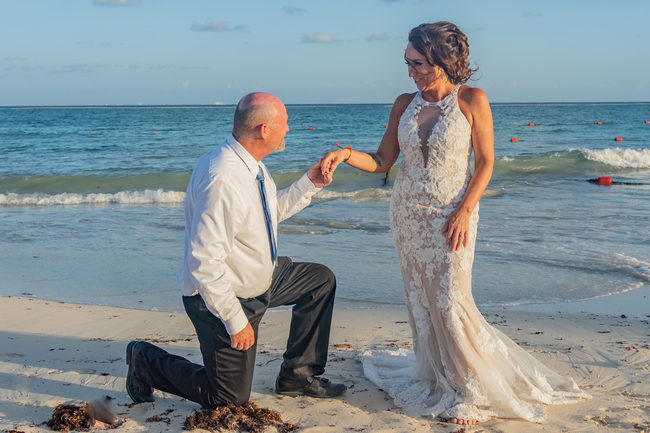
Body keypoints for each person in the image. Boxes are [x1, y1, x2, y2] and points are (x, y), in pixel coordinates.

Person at [321, 22, 589, 424]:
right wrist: (344, 154)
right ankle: (439, 375)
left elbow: (485, 164)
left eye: (417, 64)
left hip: (453, 215)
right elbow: (382, 161)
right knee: (423, 302)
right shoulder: (403, 103)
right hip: (408, 216)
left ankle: (469, 389)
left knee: (451, 301)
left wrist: (465, 210)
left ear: (441, 61)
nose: (410, 71)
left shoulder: (472, 100)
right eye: (407, 63)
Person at [126, 92, 346, 409]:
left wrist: (308, 184)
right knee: (228, 399)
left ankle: (298, 375)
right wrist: (235, 319)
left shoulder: (252, 166)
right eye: (284, 123)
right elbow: (203, 263)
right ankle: (145, 361)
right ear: (263, 129)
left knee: (319, 280)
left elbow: (267, 215)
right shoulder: (223, 179)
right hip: (223, 297)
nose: (289, 129)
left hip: (263, 277)